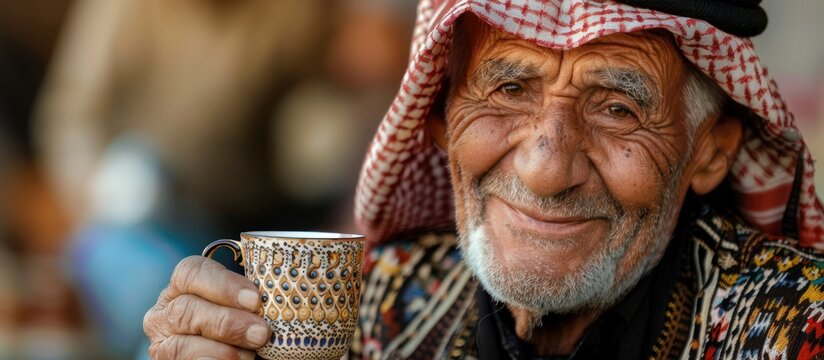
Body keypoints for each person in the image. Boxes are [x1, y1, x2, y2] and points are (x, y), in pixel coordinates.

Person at [143, 0, 824, 359]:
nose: (546, 167)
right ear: (438, 122)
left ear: (710, 151)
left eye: (618, 109)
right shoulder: (376, 306)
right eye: (506, 91)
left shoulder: (800, 330)